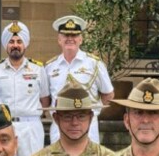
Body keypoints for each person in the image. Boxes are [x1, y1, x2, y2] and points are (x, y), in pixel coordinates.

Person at [0, 21, 50, 156]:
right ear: (6, 45)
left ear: (25, 45)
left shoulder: (38, 69)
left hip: (30, 127)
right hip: (4, 126)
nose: (15, 45)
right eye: (11, 41)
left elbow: (45, 100)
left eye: (19, 41)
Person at [45, 15, 114, 144]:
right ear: (59, 39)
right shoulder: (50, 67)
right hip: (59, 127)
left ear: (81, 39)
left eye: (74, 36)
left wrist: (93, 113)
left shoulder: (94, 64)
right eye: (66, 36)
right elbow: (46, 98)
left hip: (88, 128)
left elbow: (108, 95)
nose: (70, 39)